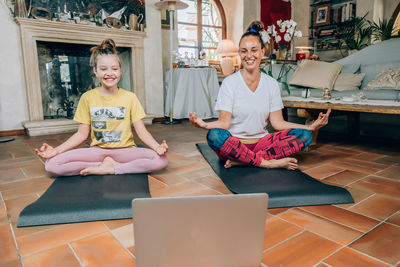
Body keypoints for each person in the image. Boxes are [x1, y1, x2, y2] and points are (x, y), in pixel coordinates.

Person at [189, 21, 331, 170]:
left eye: (254, 50)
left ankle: (245, 161)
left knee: (305, 136)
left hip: (262, 144)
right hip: (234, 145)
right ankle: (266, 162)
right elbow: (224, 123)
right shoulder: (229, 83)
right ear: (240, 53)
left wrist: (309, 127)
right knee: (214, 136)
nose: (249, 55)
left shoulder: (271, 84)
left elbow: (277, 123)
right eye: (244, 51)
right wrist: (205, 125)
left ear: (262, 52)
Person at [35, 39, 168, 176]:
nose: (109, 73)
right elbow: (81, 134)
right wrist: (56, 150)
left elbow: (142, 132)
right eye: (103, 69)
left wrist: (157, 147)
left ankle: (114, 168)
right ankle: (103, 165)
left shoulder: (130, 97)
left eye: (114, 69)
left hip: (125, 151)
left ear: (120, 71)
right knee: (51, 164)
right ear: (96, 71)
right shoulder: (87, 97)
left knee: (161, 160)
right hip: (97, 151)